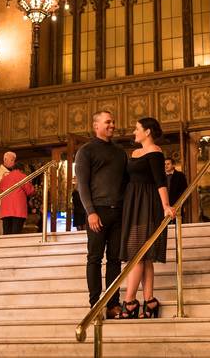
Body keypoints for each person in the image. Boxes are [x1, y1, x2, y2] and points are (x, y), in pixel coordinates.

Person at [75, 110, 128, 319]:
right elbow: (82, 185)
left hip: (119, 213)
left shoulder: (120, 152)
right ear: (95, 125)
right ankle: (95, 304)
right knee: (95, 259)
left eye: (113, 122)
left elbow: (126, 183)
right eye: (108, 122)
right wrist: (90, 212)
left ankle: (113, 303)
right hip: (97, 212)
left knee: (115, 260)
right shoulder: (86, 151)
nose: (112, 125)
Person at [118, 117, 174, 319]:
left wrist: (166, 206)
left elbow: (160, 181)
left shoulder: (155, 152)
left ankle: (130, 301)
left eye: (137, 129)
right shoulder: (135, 152)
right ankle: (149, 300)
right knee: (144, 256)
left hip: (147, 204)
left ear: (148, 131)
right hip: (134, 203)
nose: (134, 132)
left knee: (137, 254)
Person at [0, 165, 35, 235]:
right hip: (18, 209)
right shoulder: (23, 177)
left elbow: (1, 192)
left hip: (6, 210)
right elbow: (30, 191)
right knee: (16, 234)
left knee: (6, 233)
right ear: (22, 170)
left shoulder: (4, 178)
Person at [0, 151, 15, 236]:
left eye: (14, 160)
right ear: (5, 159)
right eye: (11, 160)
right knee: (1, 223)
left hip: (10, 203)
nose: (13, 162)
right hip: (1, 202)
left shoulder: (12, 172)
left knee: (8, 225)